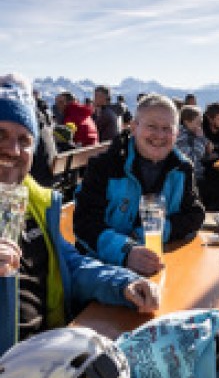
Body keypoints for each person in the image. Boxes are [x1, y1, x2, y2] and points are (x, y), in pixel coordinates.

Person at [0, 73, 161, 341]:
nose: (13, 150)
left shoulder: (34, 201)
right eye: (1, 135)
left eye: (24, 140)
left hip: (49, 354)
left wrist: (123, 283)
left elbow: (69, 265)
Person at [74, 94, 205, 276]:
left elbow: (195, 215)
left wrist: (146, 234)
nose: (159, 135)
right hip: (102, 271)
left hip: (157, 265)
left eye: (167, 128)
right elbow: (84, 224)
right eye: (151, 126)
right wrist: (127, 251)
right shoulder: (105, 166)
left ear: (176, 134)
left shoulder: (181, 168)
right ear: (134, 127)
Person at [175, 105, 214, 193]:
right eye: (197, 123)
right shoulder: (181, 136)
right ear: (186, 122)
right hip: (190, 178)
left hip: (197, 174)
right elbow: (192, 158)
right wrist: (200, 139)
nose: (200, 126)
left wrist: (204, 141)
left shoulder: (192, 133)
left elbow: (209, 148)